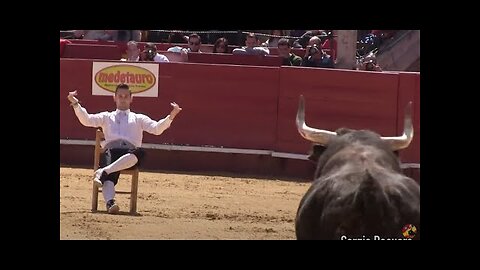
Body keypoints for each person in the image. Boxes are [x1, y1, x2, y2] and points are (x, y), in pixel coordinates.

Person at [66, 84, 182, 214]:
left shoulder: (139, 118)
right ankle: (110, 202)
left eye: (126, 96)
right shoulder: (106, 116)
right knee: (110, 168)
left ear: (131, 98)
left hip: (130, 154)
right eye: (120, 96)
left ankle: (103, 172)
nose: (123, 98)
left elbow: (156, 129)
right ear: (114, 98)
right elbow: (87, 120)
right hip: (112, 152)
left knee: (139, 153)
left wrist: (171, 116)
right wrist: (76, 104)